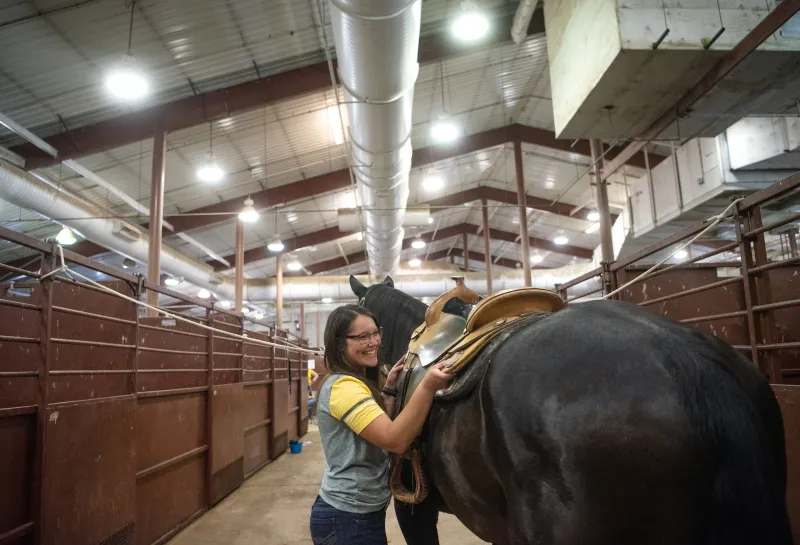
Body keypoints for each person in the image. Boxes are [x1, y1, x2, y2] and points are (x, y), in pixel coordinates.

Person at [310, 304, 451, 545]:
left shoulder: (356, 382)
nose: (374, 342)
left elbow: (370, 426)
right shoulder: (344, 387)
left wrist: (387, 393)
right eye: (362, 337)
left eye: (376, 333)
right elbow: (394, 440)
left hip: (358, 514)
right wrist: (427, 386)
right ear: (338, 343)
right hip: (347, 519)